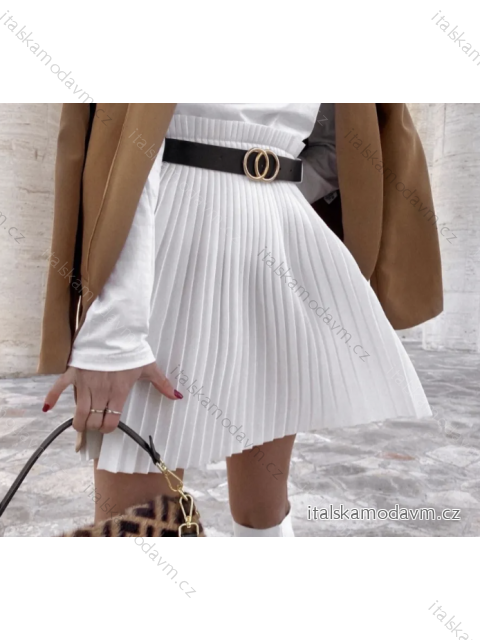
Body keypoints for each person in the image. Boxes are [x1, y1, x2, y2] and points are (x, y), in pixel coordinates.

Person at [38, 103, 443, 536]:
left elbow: (338, 141)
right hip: (169, 229)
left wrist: (272, 187)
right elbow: (127, 138)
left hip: (279, 231)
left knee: (264, 508)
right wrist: (113, 334)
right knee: (141, 515)